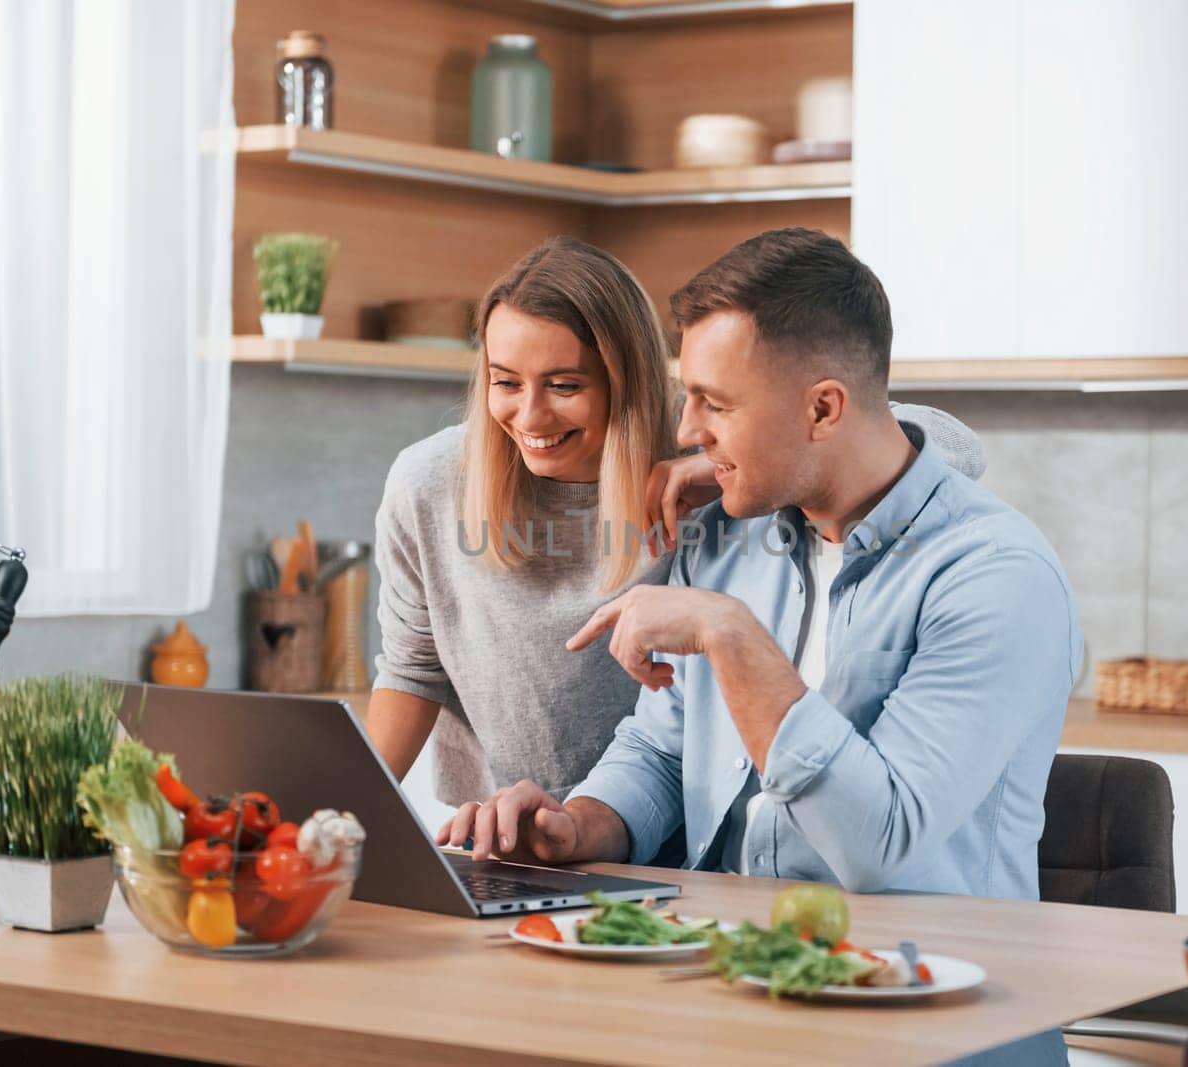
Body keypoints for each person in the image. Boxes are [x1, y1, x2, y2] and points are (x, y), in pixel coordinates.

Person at [437, 228, 1082, 897]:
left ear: (823, 408)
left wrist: (730, 634)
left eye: (715, 403)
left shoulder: (996, 578)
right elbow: (661, 755)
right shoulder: (725, 544)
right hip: (728, 959)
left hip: (919, 977)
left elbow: (880, 845)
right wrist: (575, 825)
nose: (687, 432)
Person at [367, 236, 989, 828]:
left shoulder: (708, 444)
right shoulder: (430, 483)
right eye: (505, 382)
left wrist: (719, 468)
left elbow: (950, 447)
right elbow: (412, 670)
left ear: (626, 378)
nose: (529, 415)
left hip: (670, 822)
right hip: (512, 828)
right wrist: (344, 818)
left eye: (564, 386)